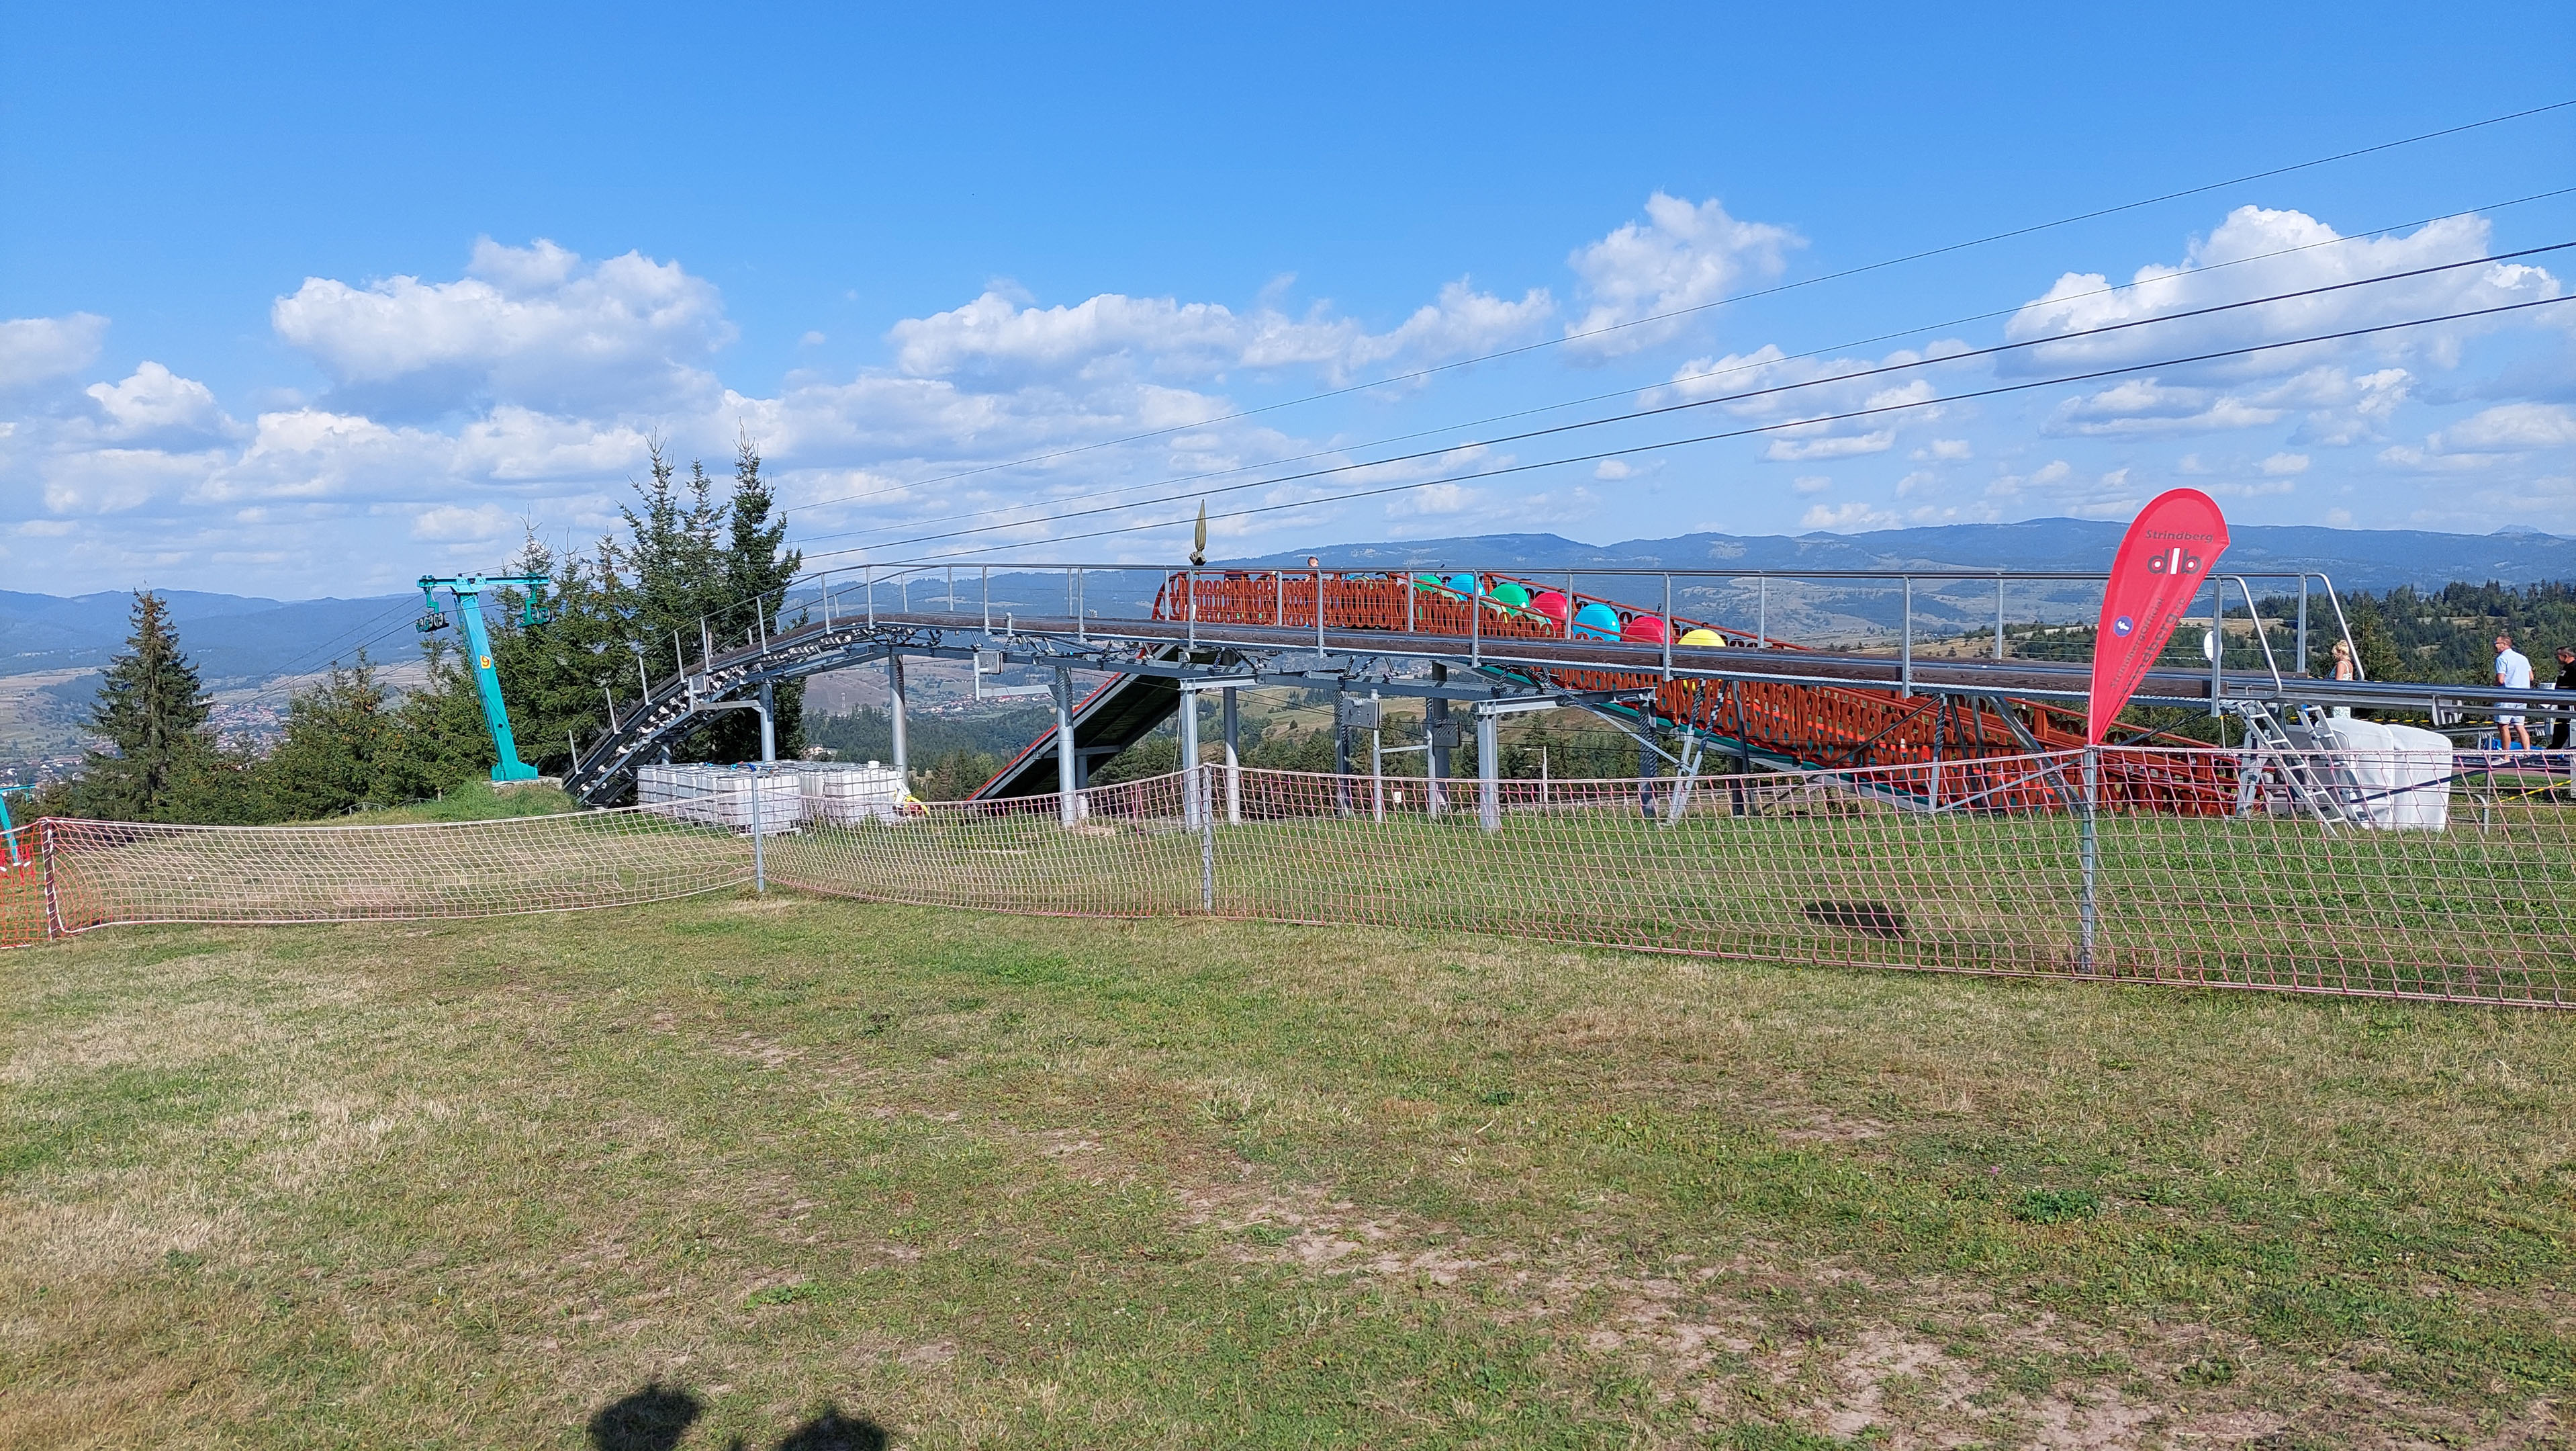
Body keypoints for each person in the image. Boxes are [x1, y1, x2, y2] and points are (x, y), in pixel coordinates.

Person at [2495, 632, 2534, 752]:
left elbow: (2501, 680)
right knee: (2520, 725)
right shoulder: (2522, 658)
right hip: (2523, 695)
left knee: (2503, 725)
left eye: (2496, 643)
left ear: (2504, 644)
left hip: (2507, 695)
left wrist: (2494, 685)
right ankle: (2527, 754)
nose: (2495, 646)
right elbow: (2531, 677)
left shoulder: (2502, 659)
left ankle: (2506, 755)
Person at [2327, 638, 2357, 719]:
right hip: (2345, 698)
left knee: (2336, 720)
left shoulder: (2341, 664)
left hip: (2338, 698)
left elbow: (2338, 682)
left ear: (2340, 652)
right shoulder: (2349, 664)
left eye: (2335, 653)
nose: (2334, 656)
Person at [2553, 646, 2576, 750]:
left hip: (2570, 704)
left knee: (2564, 726)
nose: (2557, 659)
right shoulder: (2567, 667)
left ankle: (2555, 748)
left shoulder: (2574, 667)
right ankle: (2554, 748)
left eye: (2558, 656)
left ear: (2565, 656)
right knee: (2560, 726)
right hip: (2563, 704)